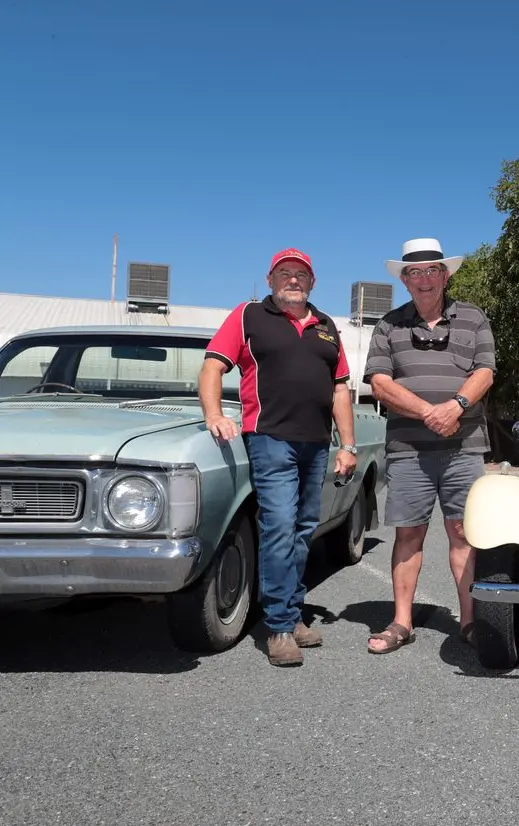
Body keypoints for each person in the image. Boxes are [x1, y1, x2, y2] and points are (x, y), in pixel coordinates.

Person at [199, 248, 357, 667]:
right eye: (284, 273)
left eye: (301, 274)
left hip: (316, 443)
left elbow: (341, 387)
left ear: (312, 282)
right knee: (280, 526)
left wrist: (348, 444)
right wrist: (214, 415)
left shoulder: (326, 327)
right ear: (270, 279)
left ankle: (292, 609)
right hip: (270, 439)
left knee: (305, 528)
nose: (293, 279)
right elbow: (213, 366)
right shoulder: (249, 315)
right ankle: (280, 628)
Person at [363, 237, 495, 654]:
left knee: (464, 533)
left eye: (432, 271)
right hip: (408, 450)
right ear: (404, 280)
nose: (424, 279)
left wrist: (455, 406)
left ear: (446, 275)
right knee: (409, 535)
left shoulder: (474, 318)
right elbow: (380, 384)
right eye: (415, 272)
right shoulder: (388, 325)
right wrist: (428, 412)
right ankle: (402, 622)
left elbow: (486, 371)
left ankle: (471, 622)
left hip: (465, 447)